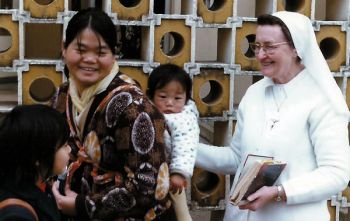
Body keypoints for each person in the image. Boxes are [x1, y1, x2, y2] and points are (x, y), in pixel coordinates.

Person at [195, 11, 350, 221]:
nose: (260, 55)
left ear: (296, 48)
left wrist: (279, 193)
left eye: (269, 47)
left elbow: (336, 174)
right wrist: (180, 147)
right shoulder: (254, 93)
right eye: (257, 46)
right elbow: (237, 159)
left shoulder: (322, 101)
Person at [51, 8, 172, 221]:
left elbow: (150, 185)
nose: (89, 59)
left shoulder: (134, 107)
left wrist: (83, 206)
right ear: (64, 48)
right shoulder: (63, 94)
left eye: (100, 52)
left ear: (114, 54)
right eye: (80, 50)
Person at [0, 104, 71, 221]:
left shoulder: (39, 186)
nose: (69, 150)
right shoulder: (15, 215)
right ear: (37, 156)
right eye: (64, 145)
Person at [147, 64, 200, 221]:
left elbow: (186, 146)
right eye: (163, 97)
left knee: (181, 212)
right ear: (151, 95)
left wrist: (178, 173)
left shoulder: (183, 119)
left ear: (186, 98)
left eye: (177, 98)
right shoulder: (148, 111)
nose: (170, 103)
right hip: (151, 175)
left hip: (172, 177)